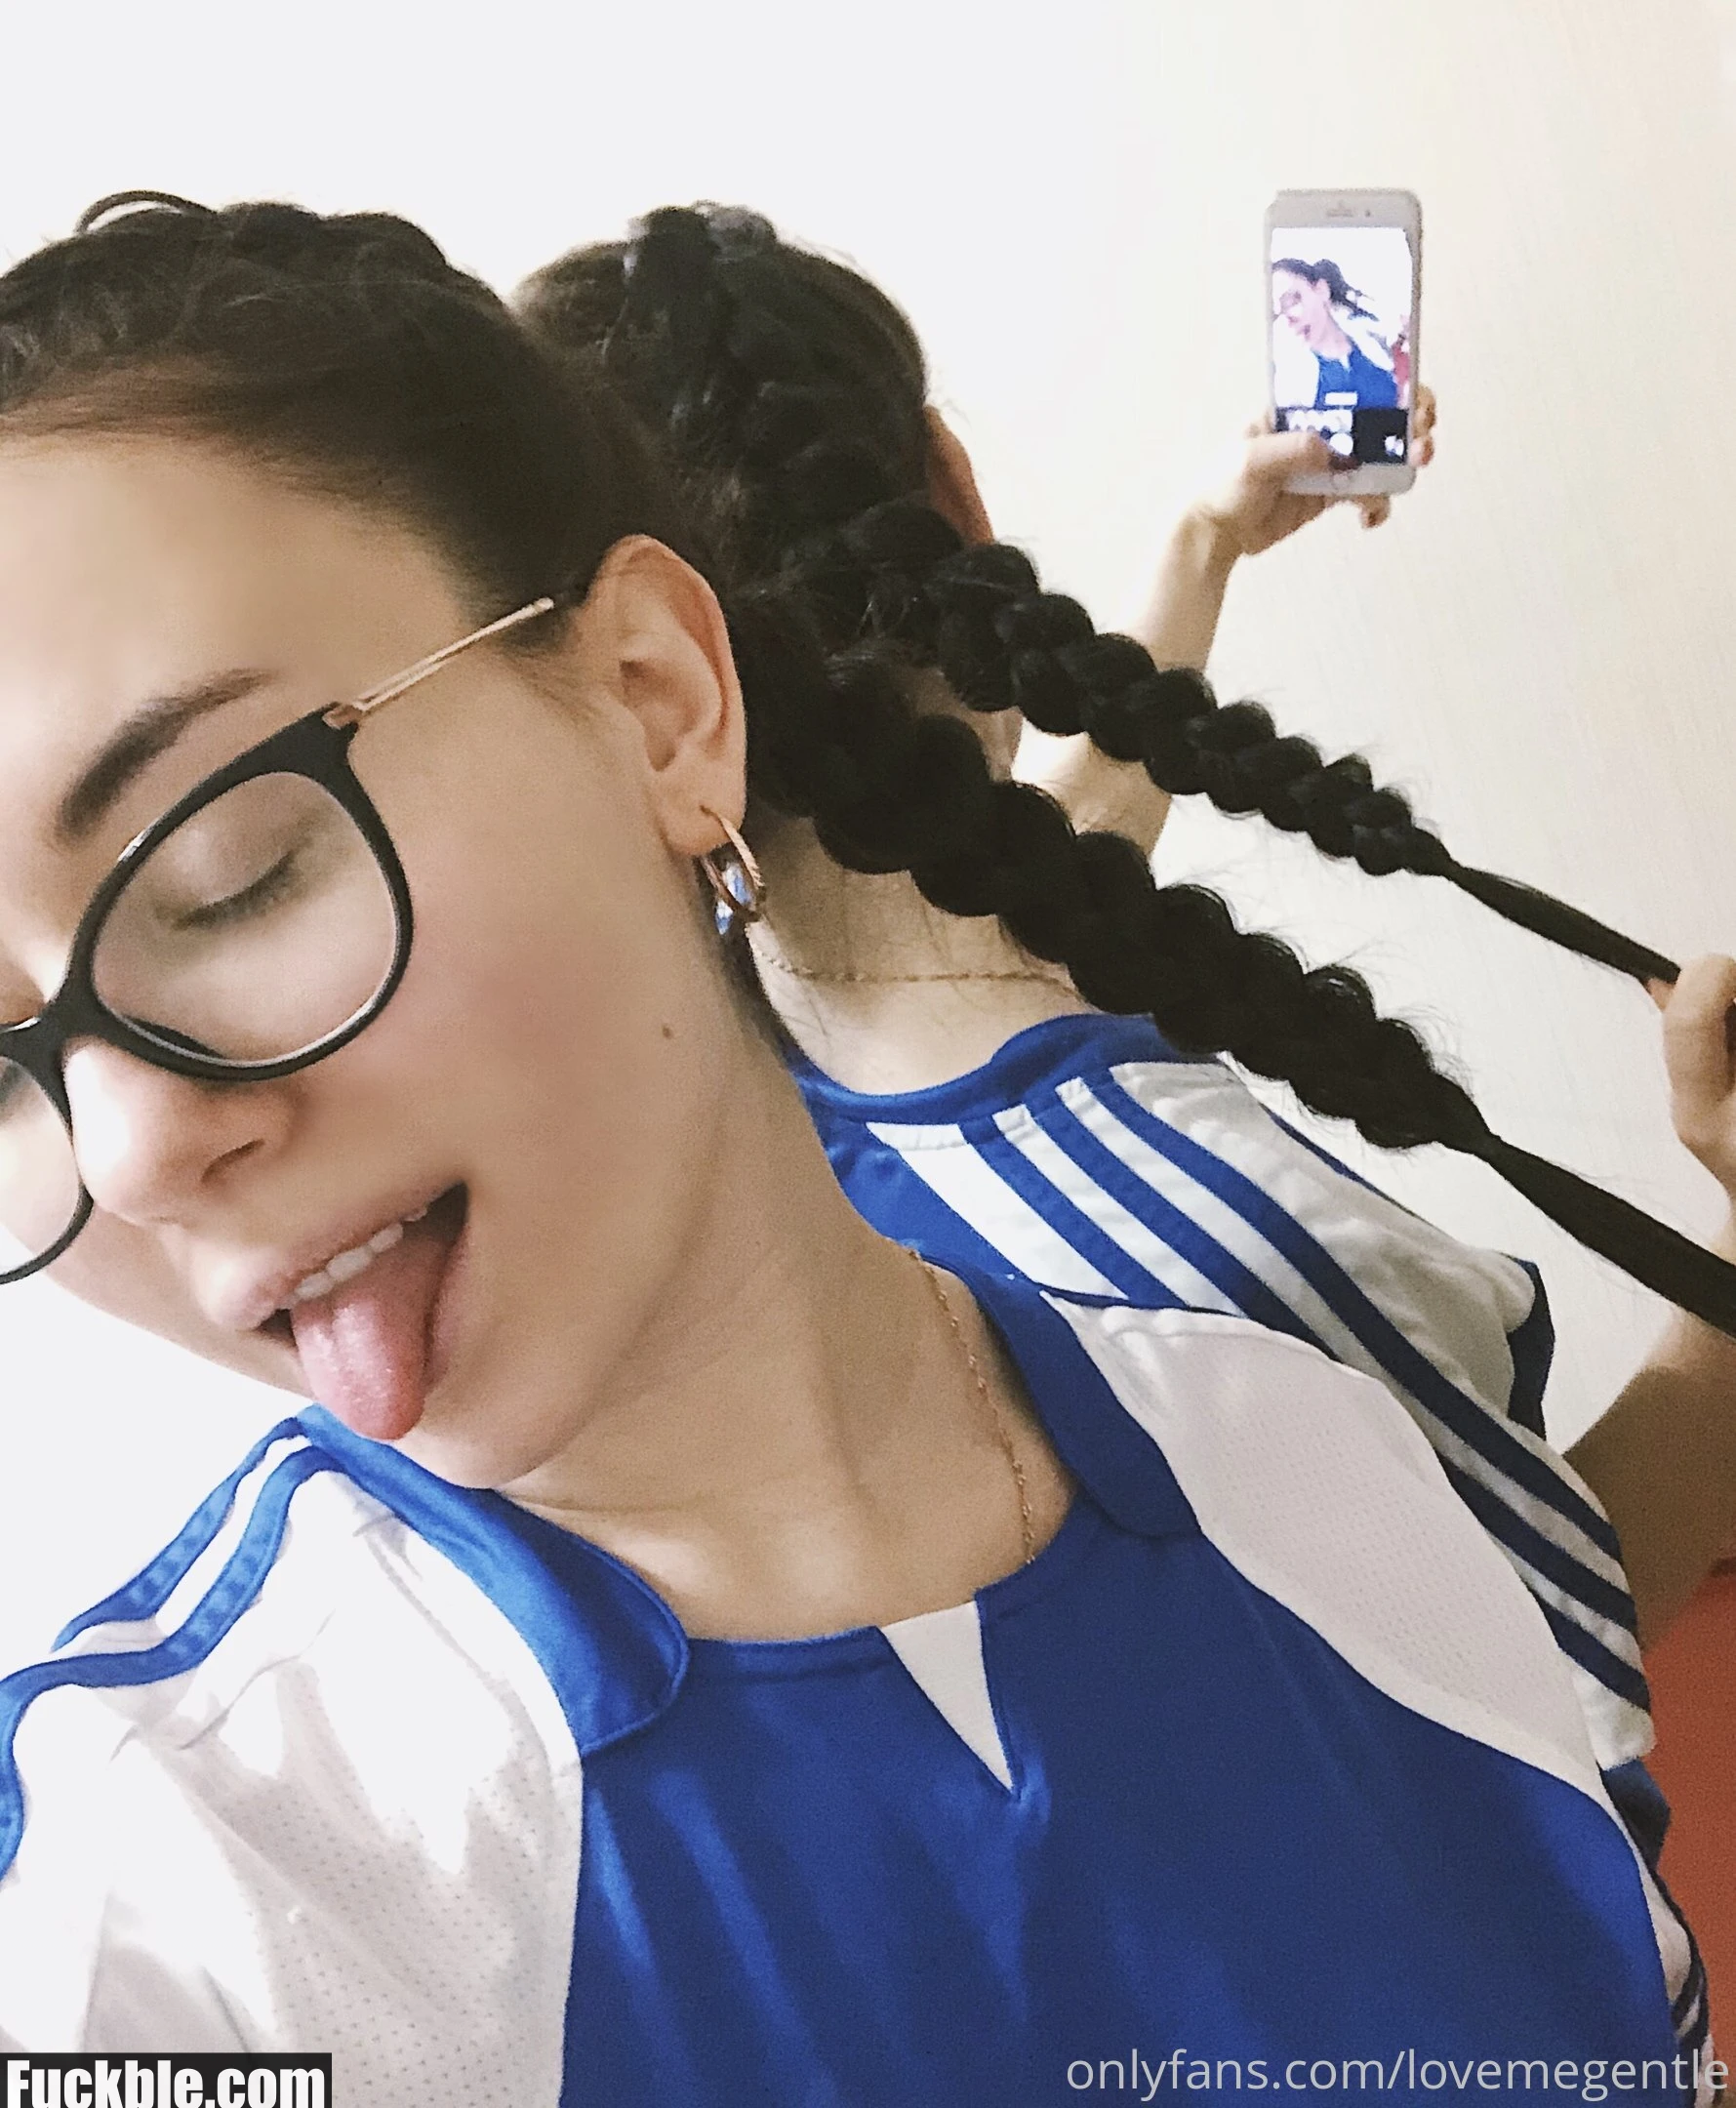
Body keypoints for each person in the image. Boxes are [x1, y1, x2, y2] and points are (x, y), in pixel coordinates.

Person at [0, 194, 1710, 2098]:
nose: (125, 1151)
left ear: (662, 700)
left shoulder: (1311, 1467)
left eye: (231, 874)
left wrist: (1203, 547)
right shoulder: (169, 1912)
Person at [520, 204, 1736, 2052]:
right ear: (951, 488)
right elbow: (1576, 1623)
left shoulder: (744, 1080)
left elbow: (1029, 858)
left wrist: (1202, 545)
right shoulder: (1222, 1245)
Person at [1271, 256, 1403, 413]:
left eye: (1291, 301)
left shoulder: (1378, 340)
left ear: (1321, 290)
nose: (1287, 320)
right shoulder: (1289, 381)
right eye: (1274, 315)